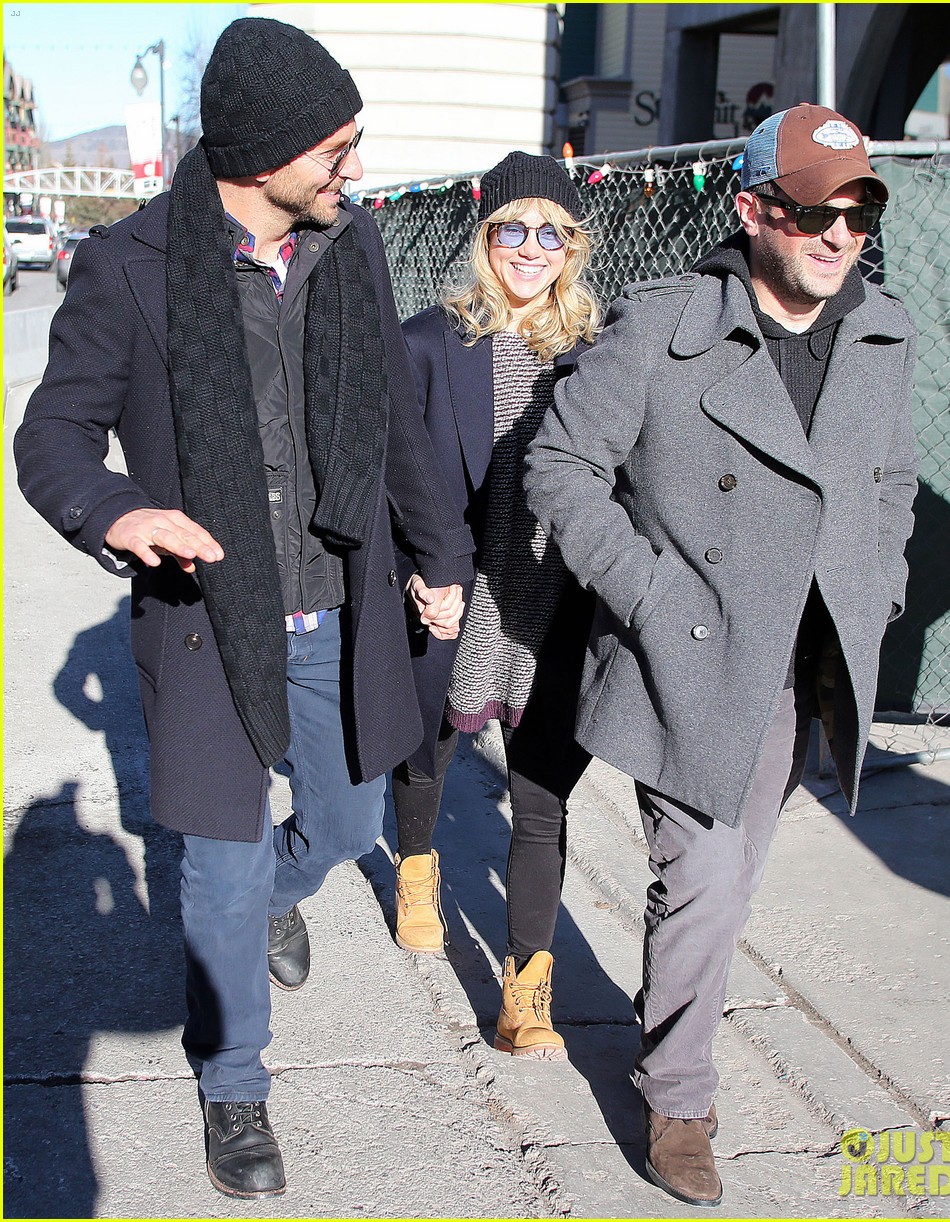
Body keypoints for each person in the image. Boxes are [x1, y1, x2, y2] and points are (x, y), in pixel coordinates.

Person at [14, 18, 474, 1200]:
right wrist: (121, 515)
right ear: (262, 154)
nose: (353, 169)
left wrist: (439, 558)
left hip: (340, 603)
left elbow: (392, 436)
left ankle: (279, 893)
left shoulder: (351, 246)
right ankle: (234, 1087)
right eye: (336, 147)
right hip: (205, 620)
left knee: (350, 823)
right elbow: (52, 435)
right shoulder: (126, 266)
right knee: (214, 874)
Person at [526, 104, 918, 1206]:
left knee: (732, 876)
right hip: (691, 654)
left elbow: (891, 482)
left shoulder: (882, 330)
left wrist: (876, 587)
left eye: (858, 209)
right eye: (810, 211)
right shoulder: (661, 326)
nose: (837, 234)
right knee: (700, 875)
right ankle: (679, 1097)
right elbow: (557, 463)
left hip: (809, 659)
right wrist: (647, 593)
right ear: (752, 210)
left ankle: (675, 1044)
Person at [390, 152, 601, 1061]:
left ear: (571, 248)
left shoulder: (596, 353)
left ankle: (526, 990)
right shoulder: (431, 342)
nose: (529, 247)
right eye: (511, 228)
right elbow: (391, 476)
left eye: (549, 231)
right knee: (427, 752)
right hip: (458, 592)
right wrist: (413, 572)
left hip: (554, 605)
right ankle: (417, 866)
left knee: (542, 800)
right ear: (484, 238)